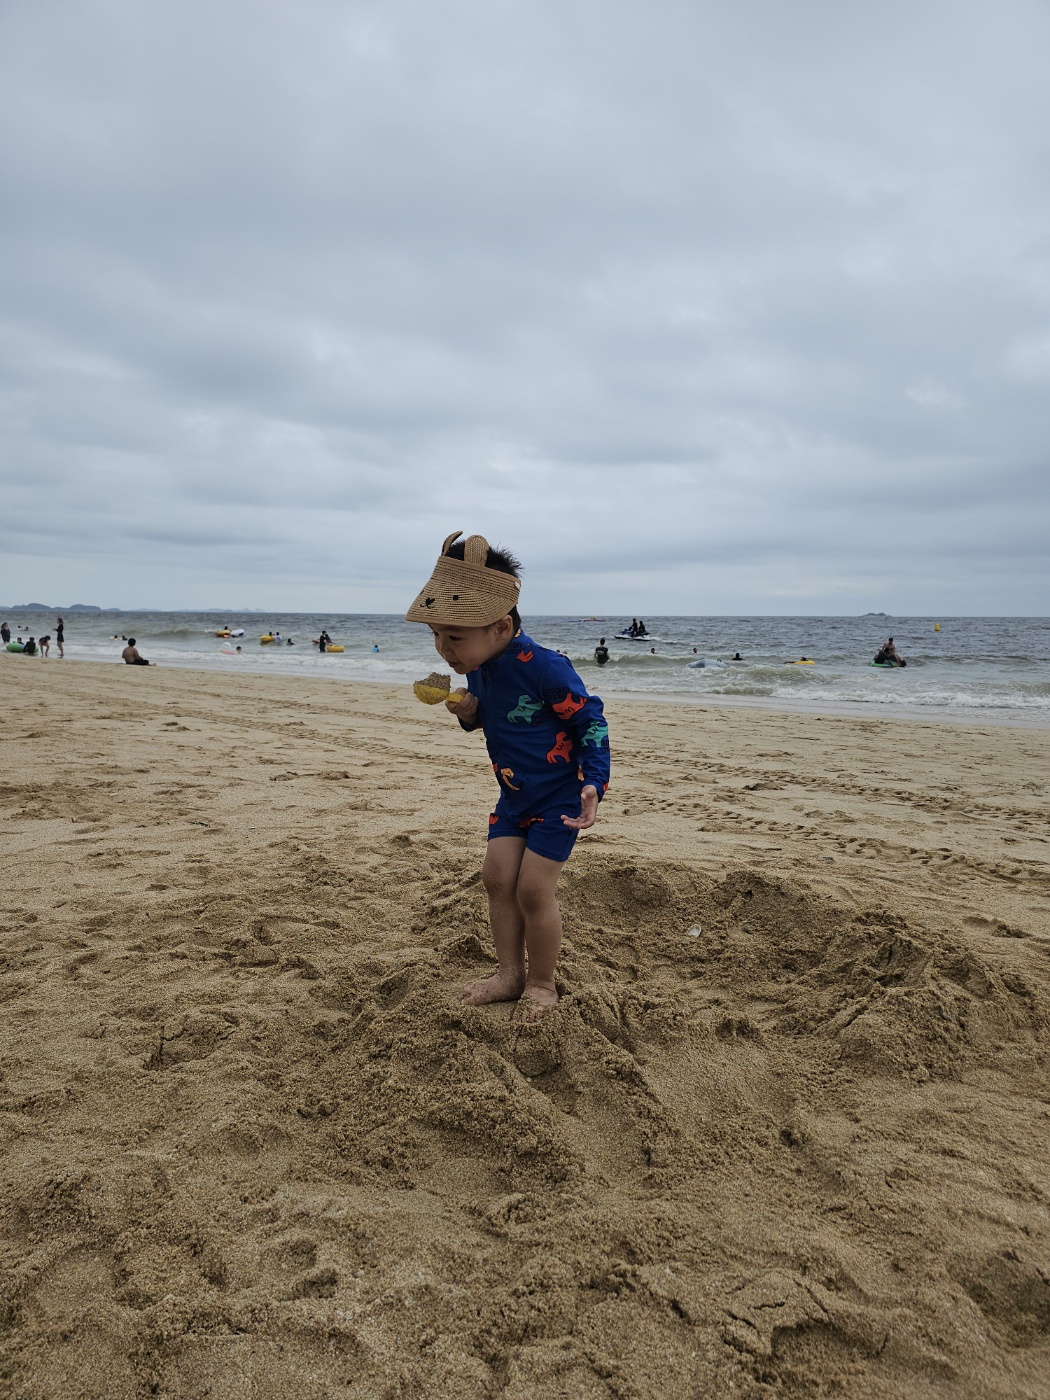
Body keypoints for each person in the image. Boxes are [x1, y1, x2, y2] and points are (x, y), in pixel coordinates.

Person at [406, 530, 611, 1023]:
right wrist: (466, 709)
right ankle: (508, 975)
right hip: (514, 797)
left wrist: (594, 783)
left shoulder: (543, 668)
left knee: (533, 890)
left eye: (454, 636)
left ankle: (541, 982)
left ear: (501, 626)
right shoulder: (482, 664)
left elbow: (590, 720)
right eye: (436, 635)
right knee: (497, 879)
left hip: (558, 797)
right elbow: (487, 719)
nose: (443, 649)